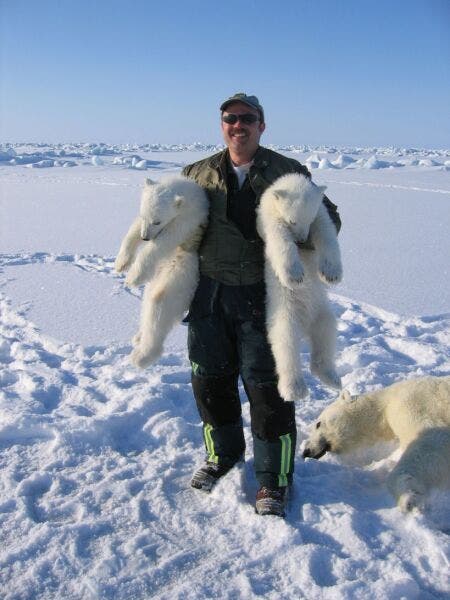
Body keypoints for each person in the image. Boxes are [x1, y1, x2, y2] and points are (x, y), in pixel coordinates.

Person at [182, 93, 340, 517]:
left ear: (261, 125)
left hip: (263, 295)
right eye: (230, 118)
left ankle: (274, 479)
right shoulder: (197, 173)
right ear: (222, 125)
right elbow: (173, 224)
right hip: (208, 296)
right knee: (210, 385)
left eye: (247, 118)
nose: (238, 125)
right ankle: (223, 456)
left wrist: (301, 239)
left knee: (268, 390)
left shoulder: (287, 172)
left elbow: (330, 219)